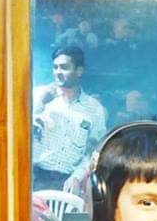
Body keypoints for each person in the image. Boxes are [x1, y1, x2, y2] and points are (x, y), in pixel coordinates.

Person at [32, 44, 107, 191]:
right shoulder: (38, 96)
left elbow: (94, 151)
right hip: (35, 178)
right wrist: (40, 104)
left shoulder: (94, 109)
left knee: (74, 208)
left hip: (71, 182)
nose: (58, 72)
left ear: (79, 71)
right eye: (55, 67)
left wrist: (77, 177)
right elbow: (18, 132)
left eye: (64, 67)